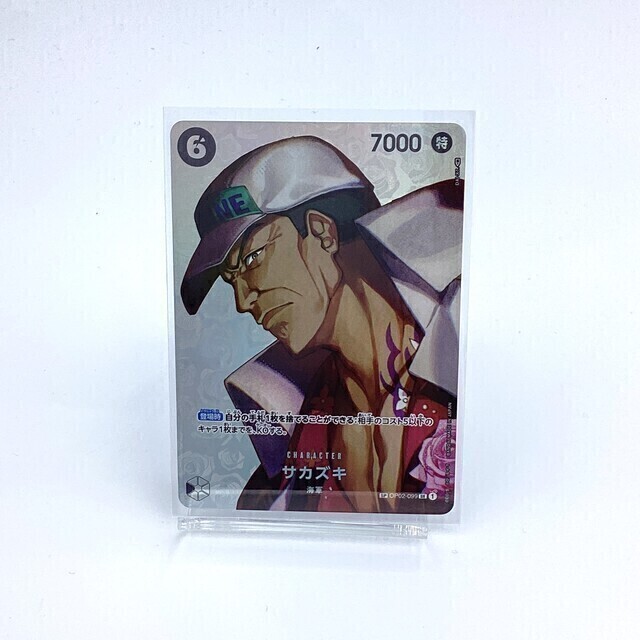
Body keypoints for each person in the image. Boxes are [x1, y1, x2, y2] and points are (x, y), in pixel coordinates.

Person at [181, 136, 463, 513]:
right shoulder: (293, 447)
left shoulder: (463, 335)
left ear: (321, 232)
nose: (243, 301)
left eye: (250, 260)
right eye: (231, 280)